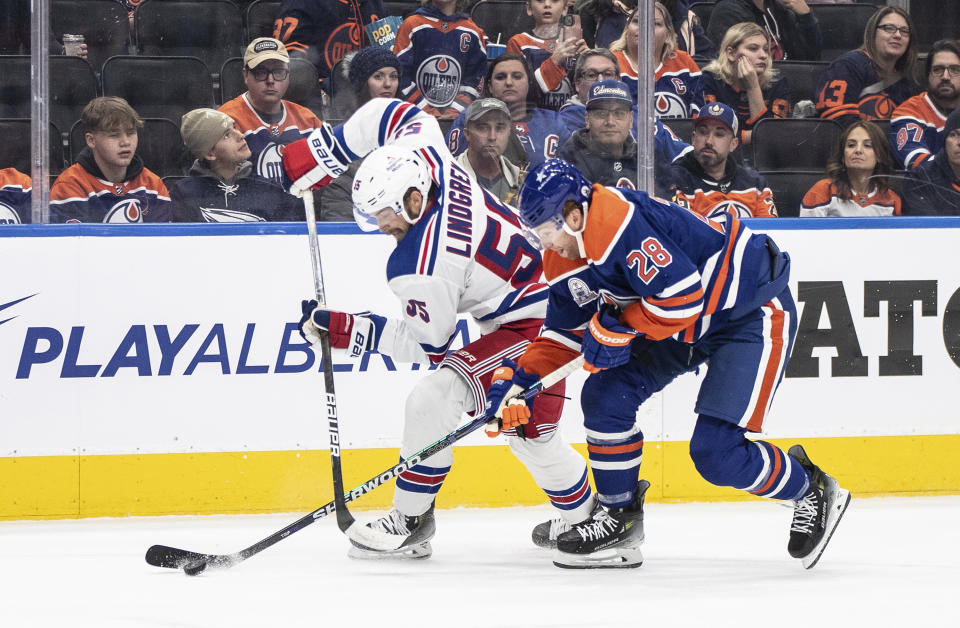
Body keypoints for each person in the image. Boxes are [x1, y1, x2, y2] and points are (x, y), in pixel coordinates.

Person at [483, 157, 851, 569]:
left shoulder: (615, 221)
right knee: (605, 397)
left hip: (747, 311)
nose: (544, 243)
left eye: (546, 231)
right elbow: (562, 334)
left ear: (573, 214)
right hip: (683, 325)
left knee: (716, 453)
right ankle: (619, 519)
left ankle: (810, 489)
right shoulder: (564, 254)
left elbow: (681, 298)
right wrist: (518, 382)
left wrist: (617, 329)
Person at [280, 98, 596, 558]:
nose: (389, 234)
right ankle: (588, 520)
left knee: (434, 399)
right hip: (557, 302)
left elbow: (429, 353)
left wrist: (350, 331)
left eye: (389, 225)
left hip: (541, 324)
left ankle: (410, 521)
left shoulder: (422, 263)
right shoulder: (427, 159)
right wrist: (329, 147)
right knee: (533, 435)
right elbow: (398, 115)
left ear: (413, 200)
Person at [219, 37, 324, 191]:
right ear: (245, 75)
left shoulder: (309, 121)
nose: (270, 80)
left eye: (279, 72)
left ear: (288, 75)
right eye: (261, 72)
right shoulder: (226, 120)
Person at [170, 109, 304, 222]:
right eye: (227, 135)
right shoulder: (184, 193)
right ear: (210, 153)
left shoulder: (271, 189)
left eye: (234, 128)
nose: (240, 136)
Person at [50, 97, 170, 223]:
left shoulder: (153, 186)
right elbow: (77, 242)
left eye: (130, 133)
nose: (125, 142)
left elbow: (162, 242)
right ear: (91, 140)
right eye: (114, 135)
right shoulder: (69, 185)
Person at [318, 46, 403, 221]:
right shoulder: (344, 138)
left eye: (393, 76)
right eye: (378, 76)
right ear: (361, 83)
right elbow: (338, 212)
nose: (388, 84)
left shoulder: (411, 128)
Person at [446, 53, 574, 167]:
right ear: (490, 86)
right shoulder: (469, 119)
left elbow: (571, 175)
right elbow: (451, 170)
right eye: (500, 77)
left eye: (517, 76)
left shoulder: (554, 122)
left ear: (529, 83)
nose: (508, 82)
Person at [815, 6, 920, 127]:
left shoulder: (907, 81)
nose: (897, 35)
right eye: (889, 28)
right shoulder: (847, 67)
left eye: (904, 31)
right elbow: (839, 121)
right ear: (872, 32)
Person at [670, 102, 777, 217]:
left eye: (719, 134)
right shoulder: (675, 179)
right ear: (693, 138)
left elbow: (769, 230)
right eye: (703, 132)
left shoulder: (756, 184)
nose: (709, 141)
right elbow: (682, 231)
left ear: (733, 144)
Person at [392, 0, 488, 119]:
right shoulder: (411, 25)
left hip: (455, 120)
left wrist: (455, 110)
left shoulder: (473, 31)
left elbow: (475, 80)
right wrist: (424, 109)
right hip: (414, 117)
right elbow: (400, 73)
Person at [701, 22, 791, 145]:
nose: (763, 55)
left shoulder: (778, 83)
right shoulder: (710, 80)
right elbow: (710, 137)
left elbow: (772, 138)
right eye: (753, 48)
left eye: (766, 49)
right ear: (731, 53)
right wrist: (754, 136)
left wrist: (753, 87)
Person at [610, 3, 704, 116]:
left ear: (668, 35)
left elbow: (699, 115)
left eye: (655, 23)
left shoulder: (685, 63)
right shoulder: (611, 63)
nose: (644, 27)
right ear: (626, 30)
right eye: (637, 21)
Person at [273, 0, 384, 94]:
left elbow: (387, 55)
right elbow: (290, 62)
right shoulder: (300, 3)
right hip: (319, 98)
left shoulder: (375, 3)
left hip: (368, 96)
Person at [800, 120, 901, 217]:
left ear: (879, 155)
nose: (858, 150)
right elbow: (807, 234)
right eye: (851, 145)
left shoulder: (892, 200)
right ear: (843, 155)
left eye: (867, 145)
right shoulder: (822, 191)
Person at [889, 40, 960, 171]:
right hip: (930, 190)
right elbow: (918, 165)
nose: (945, 76)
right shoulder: (909, 111)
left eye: (954, 70)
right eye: (938, 70)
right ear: (928, 75)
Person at [506, 0, 587, 111]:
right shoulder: (518, 42)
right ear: (529, 8)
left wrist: (589, 64)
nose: (547, 4)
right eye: (540, 0)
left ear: (565, 9)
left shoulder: (574, 42)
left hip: (570, 116)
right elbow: (516, 90)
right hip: (532, 115)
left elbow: (585, 93)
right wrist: (554, 61)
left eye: (554, 1)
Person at [559, 79, 639, 189]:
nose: (610, 122)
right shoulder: (571, 158)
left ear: (630, 120)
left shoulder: (642, 157)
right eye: (601, 113)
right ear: (587, 119)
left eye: (619, 113)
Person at [455, 98, 524, 203]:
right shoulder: (446, 176)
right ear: (467, 133)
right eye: (483, 128)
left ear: (509, 133)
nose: (492, 137)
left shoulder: (521, 182)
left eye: (500, 128)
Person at [706, 0, 821, 62]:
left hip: (786, 83)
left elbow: (810, 58)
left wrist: (806, 16)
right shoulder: (728, 11)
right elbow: (735, 65)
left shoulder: (779, 9)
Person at [901, 108, 960, 216]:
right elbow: (927, 229)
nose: (959, 142)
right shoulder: (919, 179)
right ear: (944, 142)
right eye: (953, 135)